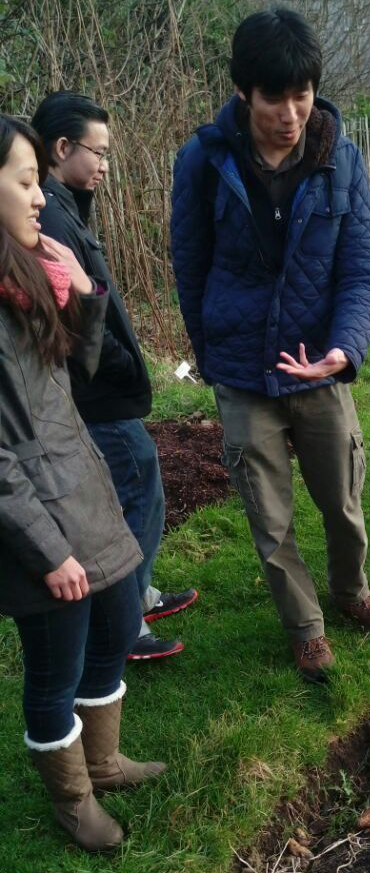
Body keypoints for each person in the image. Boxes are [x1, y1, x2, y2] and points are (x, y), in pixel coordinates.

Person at [171, 8, 370, 683]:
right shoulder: (204, 161)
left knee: (344, 501)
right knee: (269, 519)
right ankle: (305, 627)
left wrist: (344, 350)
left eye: (302, 94)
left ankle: (352, 591)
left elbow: (364, 267)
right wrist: (211, 355)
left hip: (321, 367)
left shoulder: (341, 160)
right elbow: (191, 264)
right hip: (243, 371)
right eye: (276, 97)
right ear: (244, 91)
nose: (292, 113)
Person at [0, 115, 166, 852]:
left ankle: (102, 758)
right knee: (54, 663)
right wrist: (47, 551)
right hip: (35, 519)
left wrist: (75, 292)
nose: (39, 198)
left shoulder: (23, 273)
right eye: (25, 182)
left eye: (39, 181)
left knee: (118, 617)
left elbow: (76, 375)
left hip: (82, 483)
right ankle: (72, 802)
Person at [30, 92, 198, 661]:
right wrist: (124, 365)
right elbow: (73, 322)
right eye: (96, 152)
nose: (104, 164)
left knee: (138, 484)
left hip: (104, 389)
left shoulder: (65, 204)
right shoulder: (50, 215)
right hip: (96, 396)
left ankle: (137, 595)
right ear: (61, 147)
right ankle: (125, 622)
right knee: (135, 489)